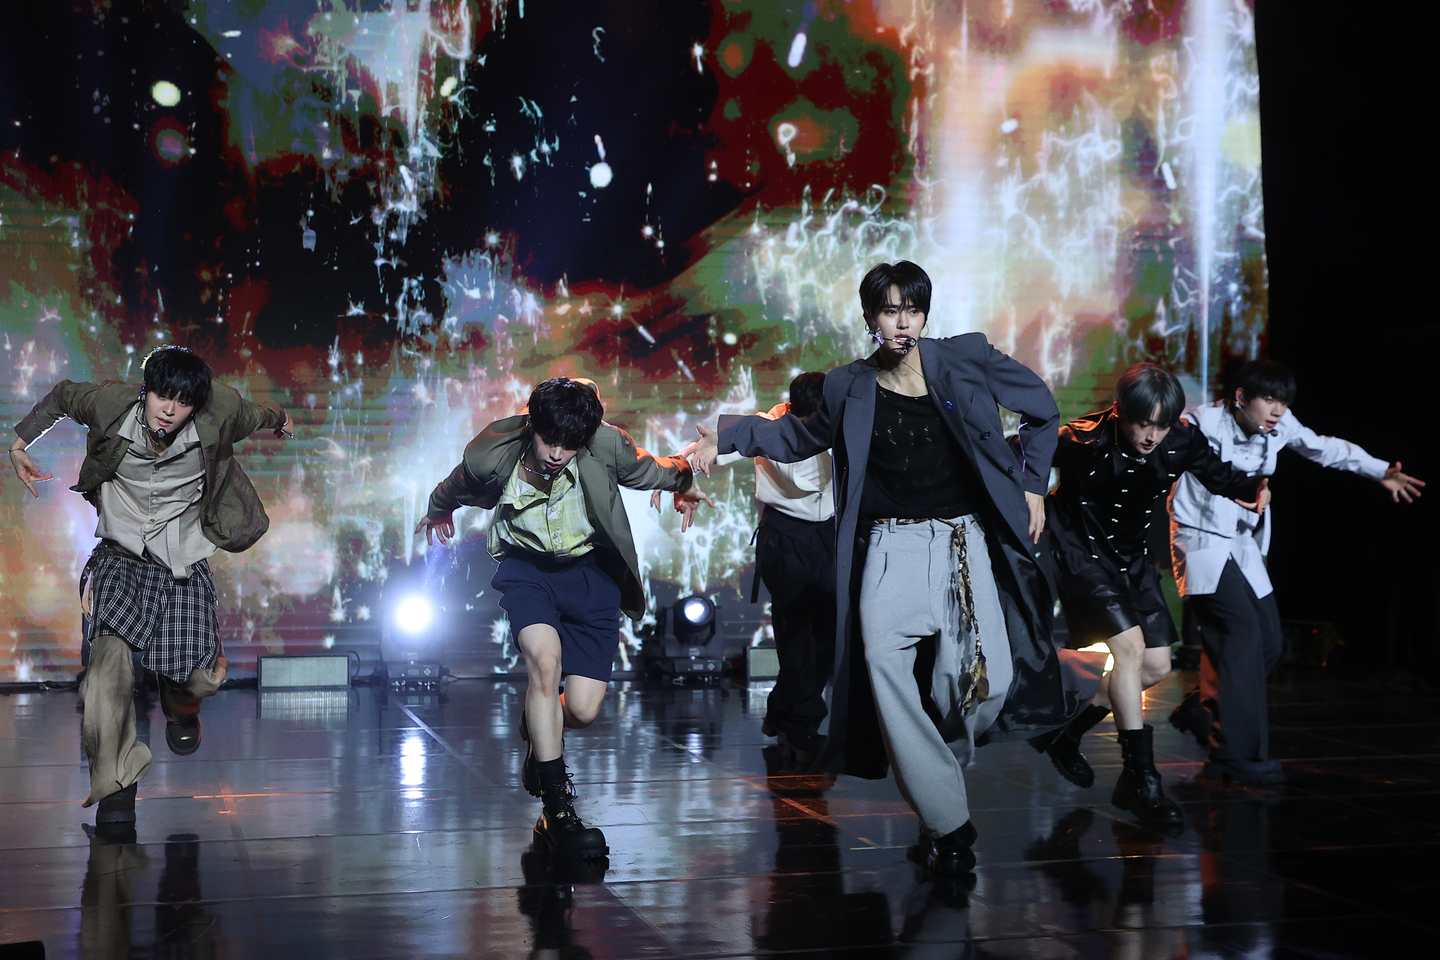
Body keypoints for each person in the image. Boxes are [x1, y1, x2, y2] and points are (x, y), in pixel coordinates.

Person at [691, 260, 1099, 876]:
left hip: (963, 545)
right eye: (889, 309)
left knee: (978, 689)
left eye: (912, 308)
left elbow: (1042, 408)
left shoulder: (965, 359)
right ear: (871, 319)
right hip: (889, 550)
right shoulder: (847, 386)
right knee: (884, 670)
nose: (901, 320)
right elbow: (798, 439)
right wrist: (722, 439)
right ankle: (948, 825)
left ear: (924, 314)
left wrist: (1034, 486)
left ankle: (931, 761)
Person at [416, 377, 711, 859]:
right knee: (544, 664)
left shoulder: (604, 444)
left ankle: (538, 724)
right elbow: (456, 485)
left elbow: (649, 469)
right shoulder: (492, 451)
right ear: (533, 424)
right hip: (527, 570)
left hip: (591, 575)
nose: (557, 453)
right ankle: (558, 810)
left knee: (582, 709)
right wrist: (436, 511)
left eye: (569, 445)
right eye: (550, 440)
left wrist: (684, 481)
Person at [9, 346, 294, 829]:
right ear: (147, 390)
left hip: (181, 558)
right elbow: (60, 396)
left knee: (197, 676)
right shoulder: (108, 404)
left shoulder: (220, 410)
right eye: (162, 395)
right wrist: (19, 445)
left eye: (182, 402)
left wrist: (281, 418)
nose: (169, 408)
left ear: (196, 404)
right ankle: (116, 787)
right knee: (105, 670)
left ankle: (181, 706)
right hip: (120, 555)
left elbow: (259, 413)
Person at [1030, 363, 1269, 825]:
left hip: (1133, 561)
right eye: (1142, 423)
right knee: (1131, 652)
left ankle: (1065, 735)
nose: (1151, 436)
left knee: (1157, 666)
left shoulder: (1179, 440)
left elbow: (1219, 474)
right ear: (1120, 412)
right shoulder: (1082, 437)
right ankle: (1142, 781)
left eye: (1161, 425)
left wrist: (1254, 487)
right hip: (1081, 555)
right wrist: (1031, 490)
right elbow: (1016, 452)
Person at [1168, 359, 1424, 783]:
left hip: (1244, 544)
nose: (1277, 411)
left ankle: (1205, 705)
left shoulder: (1280, 426)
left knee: (1267, 642)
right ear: (1240, 398)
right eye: (1268, 399)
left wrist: (1380, 471)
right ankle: (1233, 758)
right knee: (1240, 636)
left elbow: (1326, 448)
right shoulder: (1199, 424)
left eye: (1283, 402)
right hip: (1200, 541)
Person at [714, 371, 837, 762]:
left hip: (829, 538)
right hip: (784, 539)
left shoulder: (839, 423)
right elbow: (719, 445)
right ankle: (800, 728)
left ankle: (783, 712)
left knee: (830, 640)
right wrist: (682, 474)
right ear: (791, 408)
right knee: (796, 635)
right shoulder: (767, 427)